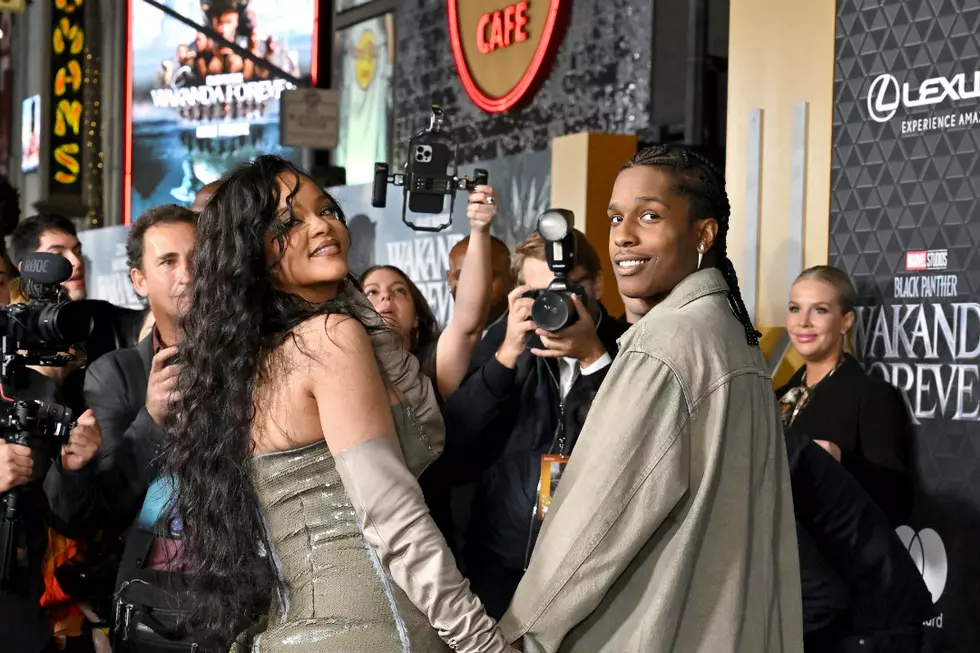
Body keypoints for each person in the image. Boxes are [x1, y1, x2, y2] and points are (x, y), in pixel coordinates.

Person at [163, 155, 515, 652]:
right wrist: (483, 644)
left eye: (326, 210)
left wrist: (345, 291)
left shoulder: (250, 362)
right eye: (289, 222)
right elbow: (394, 517)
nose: (321, 225)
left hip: (285, 633)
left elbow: (437, 373)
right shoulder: (328, 338)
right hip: (378, 630)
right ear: (252, 253)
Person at [500, 145, 803, 652]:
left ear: (704, 233)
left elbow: (592, 533)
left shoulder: (667, 346)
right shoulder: (731, 336)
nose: (623, 234)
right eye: (616, 217)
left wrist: (516, 637)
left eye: (649, 215)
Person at [440, 229, 627, 618]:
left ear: (597, 283)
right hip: (498, 566)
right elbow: (457, 449)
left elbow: (627, 444)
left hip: (586, 571)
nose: (554, 303)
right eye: (539, 292)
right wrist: (507, 354)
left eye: (567, 288)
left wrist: (594, 360)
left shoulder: (628, 347)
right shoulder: (508, 342)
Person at [777, 265, 913, 525]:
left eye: (820, 310)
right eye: (795, 308)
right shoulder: (776, 397)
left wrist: (840, 458)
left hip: (830, 558)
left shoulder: (872, 395)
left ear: (846, 321)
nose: (803, 321)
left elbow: (898, 500)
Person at [361, 183, 498, 398]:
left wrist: (480, 230)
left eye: (399, 290)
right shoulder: (343, 369)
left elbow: (468, 325)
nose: (386, 296)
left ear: (416, 318)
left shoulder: (431, 367)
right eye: (371, 292)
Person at [447, 234, 513, 328]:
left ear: (511, 277)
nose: (474, 288)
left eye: (486, 277)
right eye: (462, 278)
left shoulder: (532, 336)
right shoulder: (444, 341)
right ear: (449, 279)